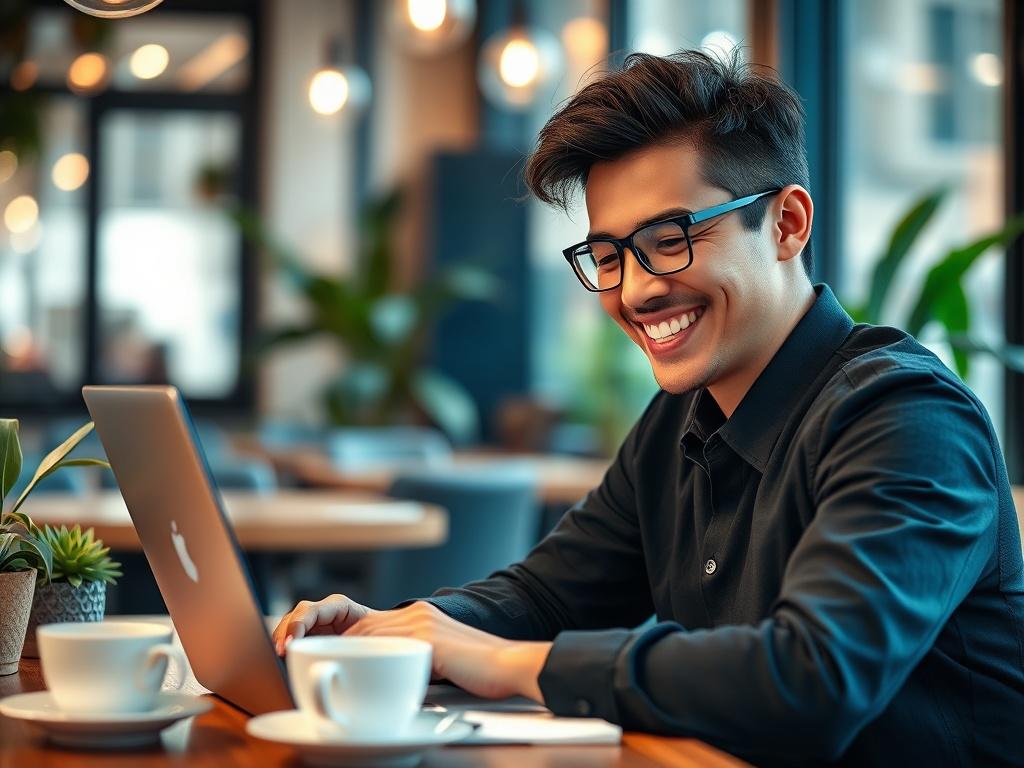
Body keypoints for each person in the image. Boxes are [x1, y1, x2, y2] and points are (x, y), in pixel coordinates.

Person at [273, 50, 1024, 765]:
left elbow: (813, 680)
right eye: (607, 255)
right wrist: (406, 635)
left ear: (788, 224)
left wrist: (501, 662)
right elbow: (544, 594)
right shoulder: (680, 419)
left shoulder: (906, 415)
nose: (633, 291)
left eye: (670, 239)